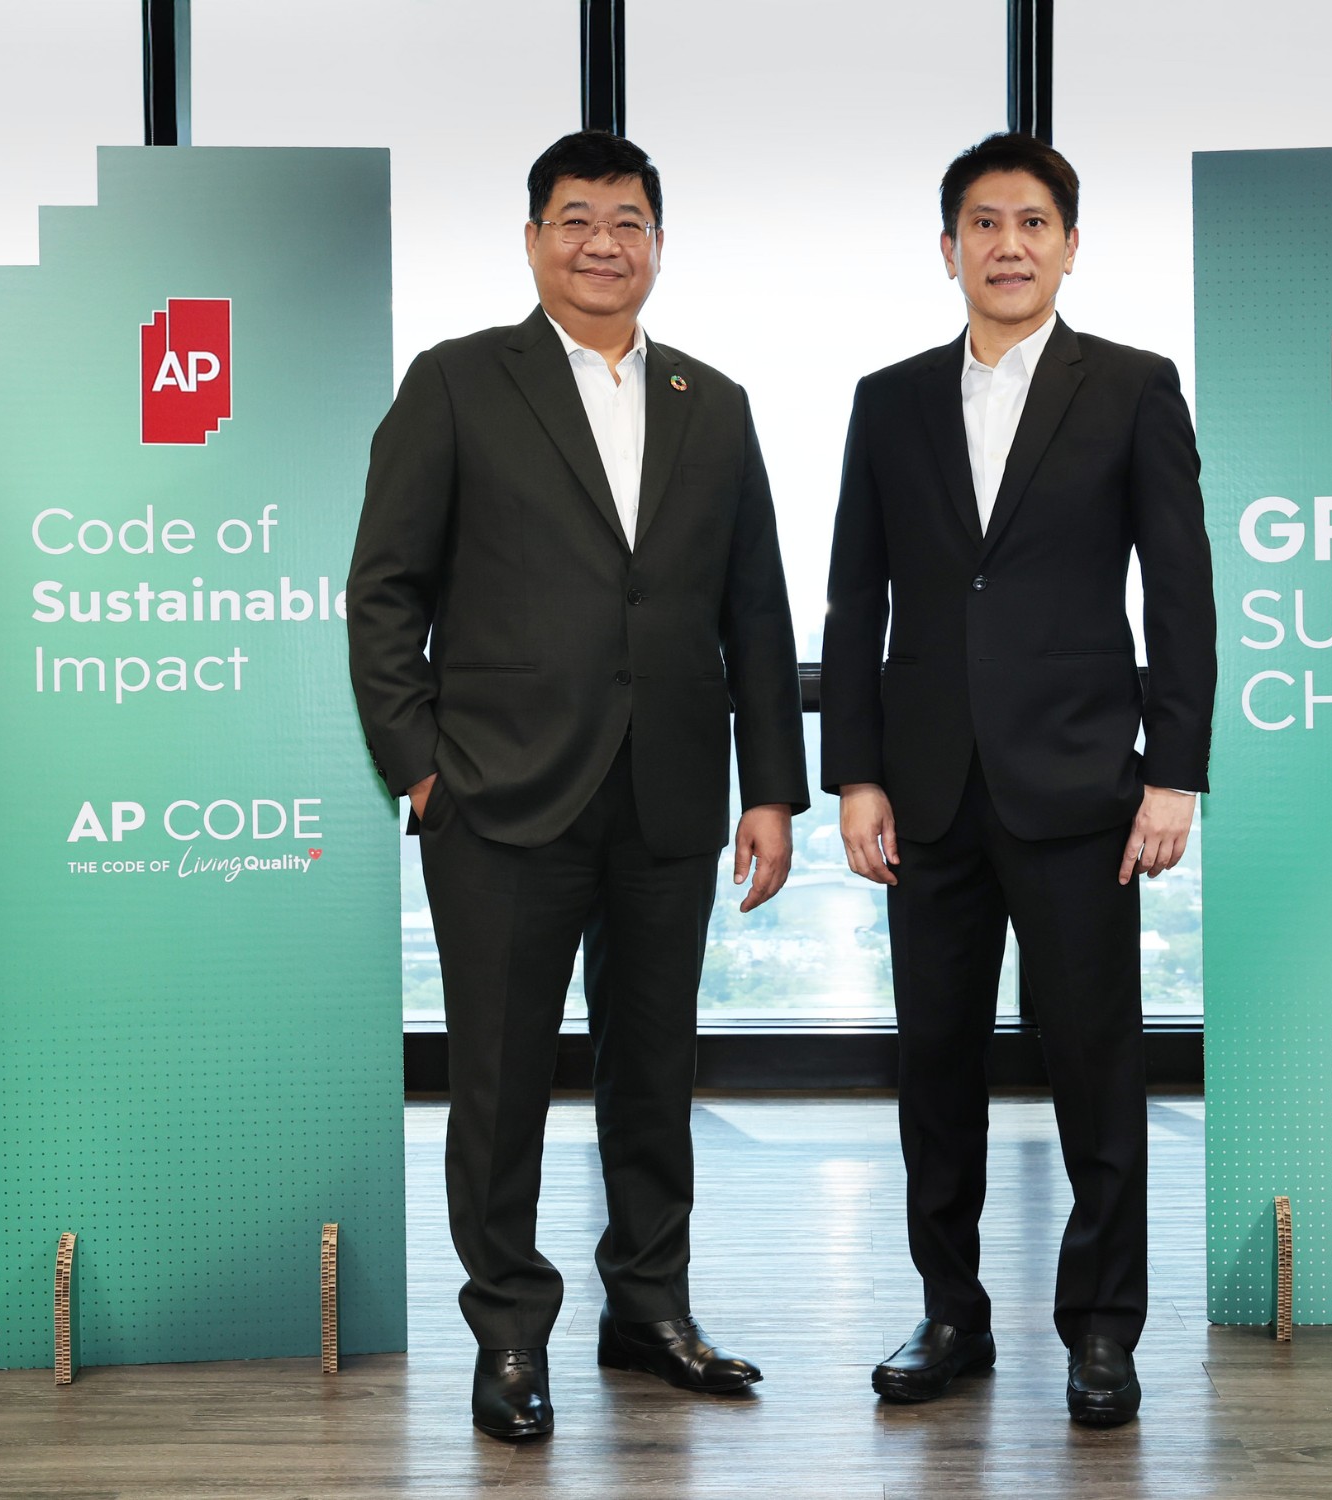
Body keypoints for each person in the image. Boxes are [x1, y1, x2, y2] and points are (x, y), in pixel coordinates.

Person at [347, 130, 807, 1442]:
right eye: (576, 218)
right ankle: (508, 1333)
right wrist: (420, 771)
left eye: (627, 221)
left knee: (653, 1071)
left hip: (668, 794)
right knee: (498, 1085)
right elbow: (384, 591)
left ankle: (648, 1309)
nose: (603, 243)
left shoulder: (713, 401)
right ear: (534, 238)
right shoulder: (455, 382)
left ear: (657, 242)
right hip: (497, 797)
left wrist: (771, 790)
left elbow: (755, 609)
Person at [821, 132, 1216, 1426]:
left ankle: (1101, 1329)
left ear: (1069, 245)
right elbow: (854, 597)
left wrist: (1174, 773)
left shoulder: (1134, 388)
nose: (1008, 244)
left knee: (1096, 1067)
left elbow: (1181, 589)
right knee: (935, 1068)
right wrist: (854, 774)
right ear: (948, 249)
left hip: (1083, 787)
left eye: (1032, 222)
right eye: (983, 223)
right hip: (927, 795)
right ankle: (951, 1313)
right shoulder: (888, 401)